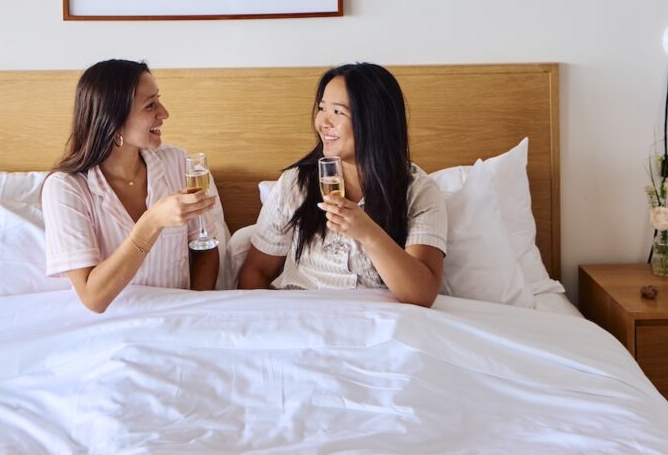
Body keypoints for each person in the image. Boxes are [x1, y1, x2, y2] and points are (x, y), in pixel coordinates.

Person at [239, 62, 445, 304]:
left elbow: (422, 294)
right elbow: (257, 271)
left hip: (378, 323)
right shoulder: (296, 183)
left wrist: (368, 234)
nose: (323, 122)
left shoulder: (419, 190)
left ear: (374, 121)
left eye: (338, 112)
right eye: (322, 108)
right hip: (302, 317)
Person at [42, 59, 222, 311]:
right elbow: (93, 298)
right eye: (150, 106)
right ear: (112, 118)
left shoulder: (177, 162)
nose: (164, 113)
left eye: (158, 100)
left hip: (178, 317)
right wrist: (152, 222)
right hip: (110, 324)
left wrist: (192, 308)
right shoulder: (66, 188)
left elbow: (205, 248)